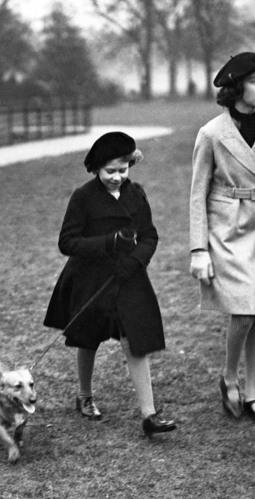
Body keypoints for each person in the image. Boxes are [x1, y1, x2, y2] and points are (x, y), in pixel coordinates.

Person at [44, 131, 176, 437]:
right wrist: (109, 242)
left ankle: (149, 414)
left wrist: (135, 260)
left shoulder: (137, 194)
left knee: (135, 340)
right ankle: (84, 396)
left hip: (129, 277)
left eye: (123, 169)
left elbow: (150, 236)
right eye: (109, 172)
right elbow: (67, 242)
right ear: (96, 169)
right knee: (88, 337)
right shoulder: (83, 197)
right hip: (91, 280)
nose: (117, 177)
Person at [189, 52, 255, 424]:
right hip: (226, 231)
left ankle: (252, 394)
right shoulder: (212, 133)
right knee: (247, 309)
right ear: (235, 88)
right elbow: (197, 194)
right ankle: (229, 376)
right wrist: (199, 249)